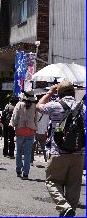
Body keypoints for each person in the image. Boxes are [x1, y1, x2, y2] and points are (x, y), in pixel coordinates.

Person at [36, 82, 85, 217]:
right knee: (74, 184)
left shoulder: (54, 106)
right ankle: (70, 210)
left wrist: (50, 93)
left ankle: (64, 206)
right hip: (78, 153)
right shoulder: (83, 108)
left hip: (58, 151)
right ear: (73, 92)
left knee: (52, 181)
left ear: (59, 93)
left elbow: (38, 106)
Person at [10, 91, 38, 179]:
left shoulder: (19, 104)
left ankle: (18, 170)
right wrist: (35, 127)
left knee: (18, 151)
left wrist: (12, 125)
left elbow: (14, 117)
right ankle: (26, 172)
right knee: (28, 153)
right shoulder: (34, 106)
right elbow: (36, 119)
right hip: (30, 130)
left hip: (20, 130)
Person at [32, 98, 50, 163]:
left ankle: (31, 160)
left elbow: (34, 121)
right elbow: (48, 123)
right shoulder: (47, 113)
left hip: (36, 131)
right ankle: (46, 159)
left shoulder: (36, 112)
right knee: (44, 147)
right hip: (44, 132)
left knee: (32, 147)